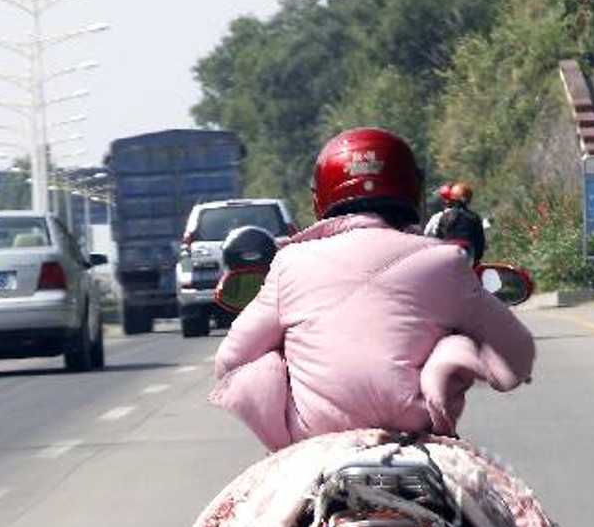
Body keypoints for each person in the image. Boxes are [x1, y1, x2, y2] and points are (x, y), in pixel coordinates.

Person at [210, 127, 536, 451]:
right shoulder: (446, 261)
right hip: (419, 443)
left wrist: (284, 365)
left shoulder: (289, 263)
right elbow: (518, 352)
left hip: (314, 447)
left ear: (318, 200)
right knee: (495, 502)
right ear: (416, 193)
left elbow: (230, 361)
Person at [424, 180, 488, 264]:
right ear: (468, 200)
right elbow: (480, 246)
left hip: (443, 262)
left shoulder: (441, 217)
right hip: (468, 264)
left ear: (451, 197)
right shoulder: (474, 218)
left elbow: (431, 238)